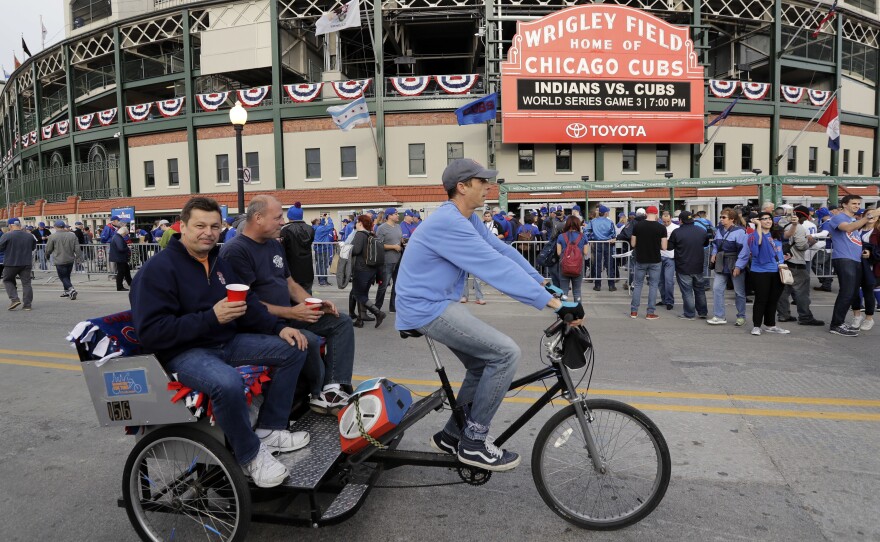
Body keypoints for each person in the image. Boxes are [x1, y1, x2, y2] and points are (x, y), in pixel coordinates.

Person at [395, 158, 584, 472]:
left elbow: (502, 251)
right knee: (506, 354)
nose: (488, 186)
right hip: (425, 308)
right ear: (462, 186)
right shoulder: (448, 222)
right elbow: (494, 269)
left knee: (483, 364)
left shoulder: (466, 218)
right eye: (481, 181)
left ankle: (452, 435)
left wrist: (545, 286)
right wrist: (555, 306)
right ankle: (473, 443)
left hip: (438, 302)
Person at [131, 196, 310, 488]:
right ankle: (250, 455)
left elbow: (249, 303)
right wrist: (211, 317)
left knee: (294, 347)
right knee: (226, 382)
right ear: (183, 226)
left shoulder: (219, 261)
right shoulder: (158, 270)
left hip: (226, 342)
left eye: (215, 226)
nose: (209, 232)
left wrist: (278, 328)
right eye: (200, 225)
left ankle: (270, 428)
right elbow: (151, 332)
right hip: (183, 352)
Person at [221, 195, 355, 415]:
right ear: (258, 218)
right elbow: (247, 304)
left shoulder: (274, 245)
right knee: (307, 340)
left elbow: (290, 284)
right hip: (262, 324)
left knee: (340, 321)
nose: (282, 222)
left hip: (288, 316)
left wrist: (315, 303)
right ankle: (317, 394)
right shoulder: (236, 251)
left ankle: (333, 387)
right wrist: (293, 312)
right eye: (277, 218)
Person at [827, 196, 874, 337]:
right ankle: (836, 324)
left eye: (859, 203)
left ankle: (839, 323)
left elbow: (855, 239)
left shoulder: (854, 219)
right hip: (843, 258)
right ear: (844, 205)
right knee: (846, 292)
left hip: (855, 259)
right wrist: (867, 218)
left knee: (852, 293)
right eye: (853, 203)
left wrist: (864, 251)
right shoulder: (838, 217)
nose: (857, 205)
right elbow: (847, 228)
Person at [776, 206, 824, 327]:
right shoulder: (799, 228)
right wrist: (810, 242)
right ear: (803, 216)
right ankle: (805, 316)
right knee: (802, 291)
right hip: (796, 262)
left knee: (783, 290)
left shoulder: (786, 226)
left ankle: (783, 314)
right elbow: (801, 246)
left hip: (784, 261)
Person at [747, 212, 789, 335]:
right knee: (761, 299)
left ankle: (770, 325)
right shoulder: (753, 235)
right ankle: (756, 326)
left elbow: (788, 237)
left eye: (769, 219)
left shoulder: (777, 234)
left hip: (777, 270)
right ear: (758, 221)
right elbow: (757, 244)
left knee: (773, 299)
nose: (768, 221)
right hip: (760, 271)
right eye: (764, 219)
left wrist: (795, 224)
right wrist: (758, 226)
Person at [708, 208, 751, 326]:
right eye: (721, 217)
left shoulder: (741, 232)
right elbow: (716, 244)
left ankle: (741, 316)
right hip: (721, 262)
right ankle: (719, 315)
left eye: (723, 217)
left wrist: (738, 266)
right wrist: (713, 254)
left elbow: (744, 251)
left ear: (732, 219)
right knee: (717, 289)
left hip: (734, 261)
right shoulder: (719, 230)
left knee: (739, 292)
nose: (721, 219)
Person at [667, 211, 709, 320]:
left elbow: (669, 247)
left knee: (687, 291)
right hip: (698, 265)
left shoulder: (677, 232)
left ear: (680, 220)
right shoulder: (701, 231)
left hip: (683, 265)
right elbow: (706, 244)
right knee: (699, 290)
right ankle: (702, 311)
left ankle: (689, 314)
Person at [629, 206, 667, 320]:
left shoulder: (637, 226)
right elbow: (664, 247)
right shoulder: (661, 228)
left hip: (641, 259)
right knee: (653, 286)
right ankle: (650, 312)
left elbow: (633, 244)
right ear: (656, 214)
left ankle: (634, 311)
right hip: (655, 259)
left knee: (638, 284)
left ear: (646, 214)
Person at [349, 215, 386, 328]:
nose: (355, 224)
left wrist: (346, 247)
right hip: (371, 270)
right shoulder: (371, 234)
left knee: (358, 294)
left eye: (356, 222)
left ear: (360, 223)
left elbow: (355, 250)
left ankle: (378, 313)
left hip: (361, 269)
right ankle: (360, 320)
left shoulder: (360, 234)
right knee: (363, 293)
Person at [848, 210, 878, 332]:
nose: (872, 217)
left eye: (875, 215)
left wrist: (871, 253)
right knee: (853, 291)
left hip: (871, 267)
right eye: (869, 214)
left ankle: (869, 318)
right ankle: (856, 316)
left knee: (868, 292)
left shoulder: (877, 232)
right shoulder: (856, 228)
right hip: (854, 264)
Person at [0, 218, 36, 310]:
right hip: (26, 263)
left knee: (7, 280)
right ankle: (27, 305)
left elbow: (1, 248)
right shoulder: (29, 236)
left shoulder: (7, 235)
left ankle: (14, 299)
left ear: (11, 226)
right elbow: (33, 248)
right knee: (26, 283)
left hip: (11, 263)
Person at [280, 202, 315, 294]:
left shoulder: (285, 230)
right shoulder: (310, 229)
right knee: (307, 296)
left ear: (289, 216)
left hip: (292, 271)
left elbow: (281, 250)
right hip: (307, 270)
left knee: (292, 298)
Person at [45, 220, 81, 300]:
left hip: (59, 259)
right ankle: (66, 291)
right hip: (70, 259)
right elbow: (77, 248)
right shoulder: (72, 235)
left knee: (62, 277)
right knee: (67, 276)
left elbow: (49, 249)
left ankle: (71, 289)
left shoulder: (52, 236)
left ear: (55, 227)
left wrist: (47, 255)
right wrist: (78, 258)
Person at [375, 207, 403, 313]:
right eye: (395, 214)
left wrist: (402, 243)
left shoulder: (398, 227)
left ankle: (393, 306)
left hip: (398, 259)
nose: (397, 215)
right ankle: (377, 307)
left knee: (397, 284)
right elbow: (379, 245)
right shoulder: (382, 228)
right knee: (383, 285)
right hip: (387, 260)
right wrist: (393, 247)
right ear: (389, 216)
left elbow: (399, 239)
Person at [556, 215, 588, 302]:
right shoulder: (583, 236)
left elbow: (559, 253)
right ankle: (578, 313)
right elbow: (585, 252)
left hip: (564, 266)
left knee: (564, 291)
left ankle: (562, 313)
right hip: (578, 266)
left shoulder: (561, 236)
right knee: (577, 291)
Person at [587, 205, 617, 291]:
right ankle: (611, 285)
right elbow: (613, 234)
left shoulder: (593, 221)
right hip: (608, 243)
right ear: (606, 213)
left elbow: (586, 231)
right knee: (609, 264)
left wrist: (592, 237)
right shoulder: (610, 222)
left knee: (597, 264)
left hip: (597, 243)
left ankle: (597, 285)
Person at [658, 211, 679, 309]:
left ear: (671, 218)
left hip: (670, 257)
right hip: (659, 256)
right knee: (660, 281)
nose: (665, 223)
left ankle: (669, 301)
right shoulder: (659, 227)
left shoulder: (676, 228)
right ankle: (664, 299)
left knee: (669, 280)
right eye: (664, 221)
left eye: (667, 221)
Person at [313, 214, 335, 286]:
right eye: (319, 219)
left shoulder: (316, 227)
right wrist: (328, 218)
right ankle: (322, 281)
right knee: (322, 265)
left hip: (319, 249)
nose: (320, 219)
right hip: (323, 249)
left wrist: (323, 219)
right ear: (317, 222)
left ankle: (323, 280)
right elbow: (331, 226)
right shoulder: (320, 228)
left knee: (321, 265)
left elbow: (322, 224)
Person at [110, 226, 133, 291]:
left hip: (119, 257)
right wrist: (128, 248)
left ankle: (131, 283)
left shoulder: (116, 236)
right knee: (121, 272)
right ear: (123, 232)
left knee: (126, 270)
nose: (125, 235)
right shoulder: (118, 238)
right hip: (120, 257)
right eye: (125, 234)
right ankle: (119, 287)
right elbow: (121, 248)